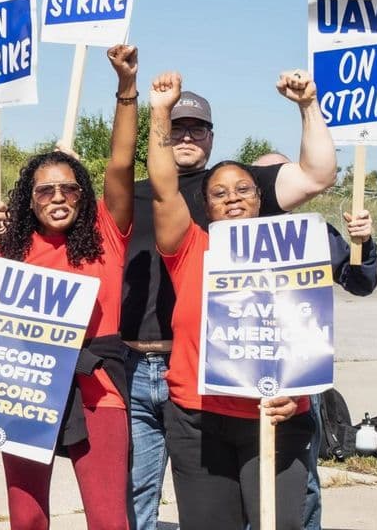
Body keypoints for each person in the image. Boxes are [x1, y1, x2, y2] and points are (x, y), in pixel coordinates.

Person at [124, 73, 336, 530]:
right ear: (205, 206)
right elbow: (163, 186)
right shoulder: (191, 247)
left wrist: (308, 105)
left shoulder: (293, 247)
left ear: (262, 199)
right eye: (219, 194)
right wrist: (159, 110)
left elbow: (320, 173)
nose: (233, 198)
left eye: (243, 190)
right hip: (198, 419)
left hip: (274, 418)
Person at [0, 44, 139, 530]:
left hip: (97, 385)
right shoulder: (9, 248)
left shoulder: (108, 234)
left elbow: (121, 162)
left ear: (82, 195)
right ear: (30, 198)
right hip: (23, 385)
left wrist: (126, 89)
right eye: (44, 190)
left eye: (68, 188)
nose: (57, 197)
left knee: (109, 519)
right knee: (26, 518)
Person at [252, 152, 377, 530]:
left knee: (302, 482)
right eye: (264, 176)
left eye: (282, 175)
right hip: (239, 375)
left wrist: (364, 243)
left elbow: (360, 282)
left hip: (300, 380)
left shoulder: (313, 233)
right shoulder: (228, 231)